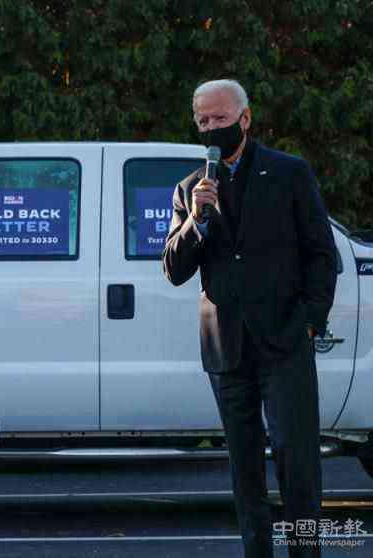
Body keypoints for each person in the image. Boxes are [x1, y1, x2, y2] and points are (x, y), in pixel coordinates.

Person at [163, 79, 337, 558]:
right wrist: (197, 220)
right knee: (244, 470)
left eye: (219, 118)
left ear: (245, 118)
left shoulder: (288, 172)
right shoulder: (189, 188)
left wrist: (309, 321)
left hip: (284, 342)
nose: (210, 128)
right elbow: (174, 270)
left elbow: (322, 254)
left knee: (297, 464)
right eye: (202, 120)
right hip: (227, 349)